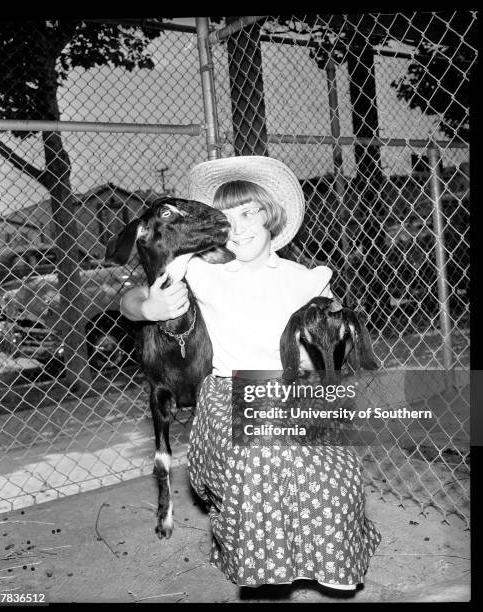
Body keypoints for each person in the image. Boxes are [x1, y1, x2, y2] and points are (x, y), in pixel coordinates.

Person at [120, 156, 381, 591]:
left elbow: (333, 347)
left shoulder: (306, 278)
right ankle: (263, 564)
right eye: (228, 219)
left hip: (296, 393)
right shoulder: (204, 273)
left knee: (334, 468)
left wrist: (323, 353)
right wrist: (149, 308)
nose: (239, 228)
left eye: (249, 214)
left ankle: (329, 559)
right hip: (232, 392)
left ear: (271, 217)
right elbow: (130, 295)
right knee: (260, 458)